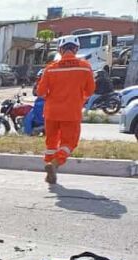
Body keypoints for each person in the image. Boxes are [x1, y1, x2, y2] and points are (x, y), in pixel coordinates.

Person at [37, 40, 95, 184]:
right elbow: (90, 90)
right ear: (76, 49)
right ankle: (55, 164)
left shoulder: (50, 68)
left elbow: (41, 92)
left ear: (60, 50)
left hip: (51, 112)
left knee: (51, 143)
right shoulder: (85, 67)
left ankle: (51, 170)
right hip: (71, 112)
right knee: (69, 142)